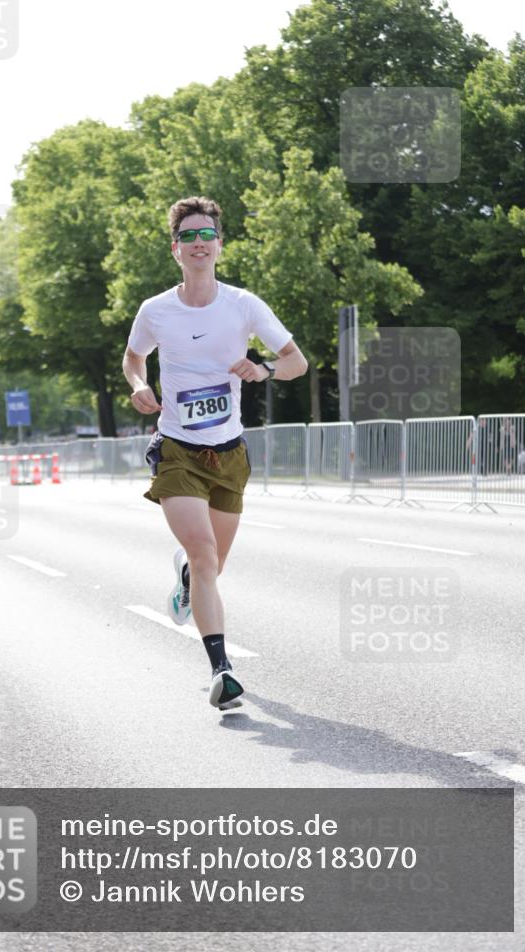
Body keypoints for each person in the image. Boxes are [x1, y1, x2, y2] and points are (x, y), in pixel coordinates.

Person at [122, 196, 307, 709]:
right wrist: (138, 384)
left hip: (228, 453)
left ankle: (187, 581)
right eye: (188, 237)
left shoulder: (244, 305)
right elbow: (134, 357)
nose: (198, 243)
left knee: (211, 567)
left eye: (207, 235)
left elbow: (297, 363)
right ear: (176, 249)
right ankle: (221, 671)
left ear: (219, 246)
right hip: (178, 449)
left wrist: (265, 368)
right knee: (204, 555)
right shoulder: (155, 310)